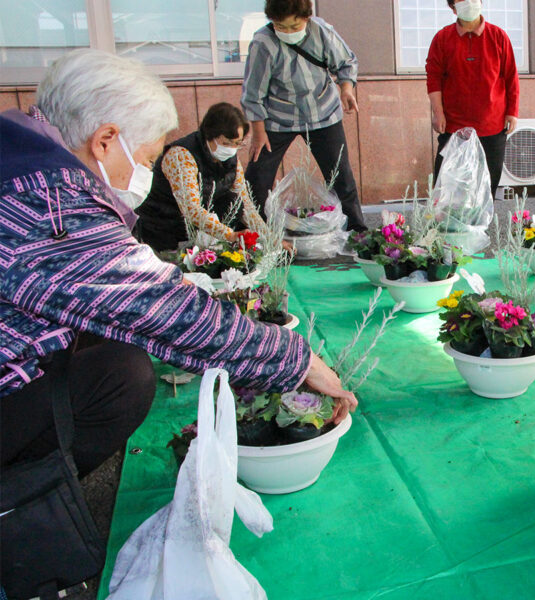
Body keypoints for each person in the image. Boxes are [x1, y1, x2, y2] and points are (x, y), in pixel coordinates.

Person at [0, 49, 356, 502]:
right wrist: (296, 359)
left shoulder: (21, 158)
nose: (146, 172)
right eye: (147, 159)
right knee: (123, 376)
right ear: (105, 140)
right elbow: (164, 309)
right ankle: (26, 510)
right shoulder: (47, 205)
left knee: (111, 340)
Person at [242, 0, 365, 231]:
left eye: (294, 26)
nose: (287, 32)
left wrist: (346, 89)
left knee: (340, 175)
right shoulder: (263, 42)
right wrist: (258, 132)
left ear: (306, 17)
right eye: (281, 26)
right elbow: (253, 91)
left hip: (323, 113)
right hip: (277, 118)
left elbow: (346, 62)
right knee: (257, 177)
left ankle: (357, 231)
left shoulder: (321, 31)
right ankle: (253, 232)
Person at [136, 102, 268, 252]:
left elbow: (245, 202)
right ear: (209, 135)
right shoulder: (181, 156)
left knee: (233, 201)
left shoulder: (230, 158)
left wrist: (269, 238)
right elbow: (192, 210)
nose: (231, 149)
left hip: (200, 231)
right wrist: (229, 235)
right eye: (226, 143)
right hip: (164, 229)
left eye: (237, 144)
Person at [426, 0, 519, 200]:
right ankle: (446, 228)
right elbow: (433, 79)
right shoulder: (442, 38)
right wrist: (438, 112)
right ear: (452, 8)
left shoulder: (498, 36)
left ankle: (481, 229)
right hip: (453, 126)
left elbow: (511, 77)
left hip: (492, 125)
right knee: (447, 186)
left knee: (487, 185)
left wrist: (512, 112)